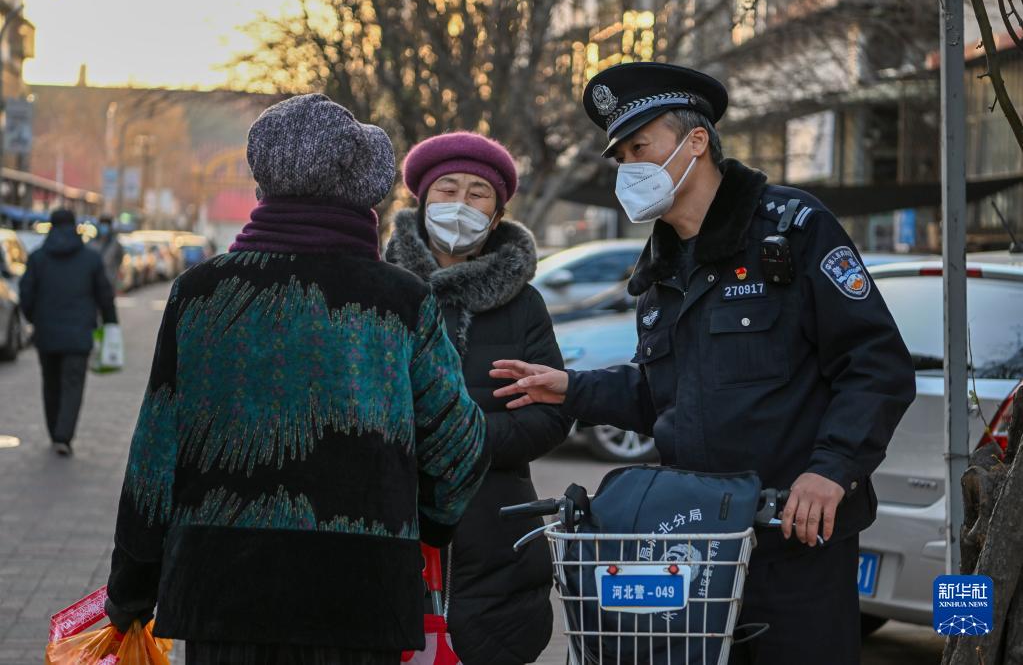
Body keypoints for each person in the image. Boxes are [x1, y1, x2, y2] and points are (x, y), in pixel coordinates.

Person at [490, 63, 916, 665]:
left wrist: (834, 467)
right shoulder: (660, 272)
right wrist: (573, 389)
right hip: (693, 539)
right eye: (621, 156)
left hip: (791, 538)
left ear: (696, 142)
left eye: (641, 147)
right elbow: (662, 397)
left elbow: (877, 364)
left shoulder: (791, 231)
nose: (629, 167)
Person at [103, 94, 490, 664]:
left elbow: (154, 458)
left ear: (264, 189)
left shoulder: (199, 293)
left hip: (222, 595)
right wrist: (425, 523)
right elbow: (459, 450)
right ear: (365, 193)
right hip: (360, 597)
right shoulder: (401, 299)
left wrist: (130, 590)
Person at [386, 132, 571, 665]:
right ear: (422, 201)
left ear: (496, 213)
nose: (461, 204)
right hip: (395, 530)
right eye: (447, 189)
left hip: (497, 537)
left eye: (477, 194)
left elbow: (552, 413)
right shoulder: (379, 288)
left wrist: (463, 440)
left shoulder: (525, 303)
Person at [19, 209, 118, 456]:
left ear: (51, 226)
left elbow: (26, 296)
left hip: (47, 335)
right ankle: (64, 435)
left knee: (50, 384)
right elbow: (104, 295)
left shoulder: (37, 258)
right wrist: (110, 323)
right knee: (73, 385)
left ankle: (55, 433)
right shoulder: (91, 259)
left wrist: (36, 320)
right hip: (79, 335)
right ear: (75, 227)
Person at [89, 214, 125, 289]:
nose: (104, 228)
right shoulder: (92, 243)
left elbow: (120, 259)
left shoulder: (115, 244)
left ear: (110, 227)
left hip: (109, 281)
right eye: (102, 225)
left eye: (106, 225)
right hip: (93, 282)